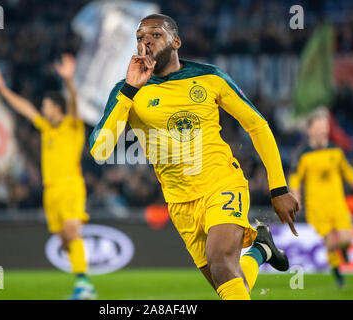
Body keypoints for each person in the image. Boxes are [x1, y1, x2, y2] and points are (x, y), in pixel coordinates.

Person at [90, 13, 299, 300]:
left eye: (155, 35)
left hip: (221, 183)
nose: (146, 42)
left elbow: (256, 124)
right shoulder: (128, 90)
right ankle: (261, 249)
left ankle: (257, 250)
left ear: (176, 41)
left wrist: (278, 187)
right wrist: (129, 89)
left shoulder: (209, 77)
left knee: (223, 265)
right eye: (140, 38)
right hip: (179, 202)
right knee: (229, 283)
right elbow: (99, 149)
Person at [0, 54, 96, 300]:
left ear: (56, 107)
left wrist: (69, 81)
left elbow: (73, 102)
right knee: (64, 240)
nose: (42, 109)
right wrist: (3, 90)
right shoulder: (46, 127)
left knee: (72, 231)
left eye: (45, 106)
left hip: (70, 185)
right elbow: (25, 108)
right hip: (50, 191)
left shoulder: (72, 125)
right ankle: (80, 282)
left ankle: (85, 285)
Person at [289, 107, 353, 287]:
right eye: (318, 127)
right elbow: (295, 179)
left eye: (324, 127)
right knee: (329, 242)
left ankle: (344, 250)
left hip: (337, 204)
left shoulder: (336, 151)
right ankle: (338, 275)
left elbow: (349, 174)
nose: (322, 131)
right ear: (310, 130)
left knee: (346, 240)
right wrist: (296, 197)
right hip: (317, 207)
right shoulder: (303, 154)